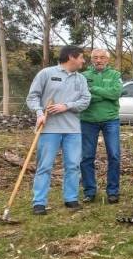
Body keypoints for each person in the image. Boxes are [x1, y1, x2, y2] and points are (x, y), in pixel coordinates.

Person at [25, 45, 91, 214]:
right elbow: (32, 97)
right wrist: (39, 113)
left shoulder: (81, 79)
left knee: (73, 165)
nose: (83, 60)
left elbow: (85, 101)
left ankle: (71, 198)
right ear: (71, 57)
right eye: (81, 57)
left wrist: (66, 106)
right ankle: (39, 202)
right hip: (48, 128)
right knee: (45, 166)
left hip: (73, 129)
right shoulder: (46, 73)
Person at [80, 48, 122, 204]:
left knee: (114, 155)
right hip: (87, 120)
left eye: (102, 57)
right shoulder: (83, 76)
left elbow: (115, 94)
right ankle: (89, 191)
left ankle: (113, 191)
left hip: (111, 119)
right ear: (91, 59)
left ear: (107, 60)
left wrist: (95, 90)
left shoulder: (115, 75)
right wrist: (105, 95)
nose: (99, 60)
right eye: (95, 57)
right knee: (86, 157)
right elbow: (83, 97)